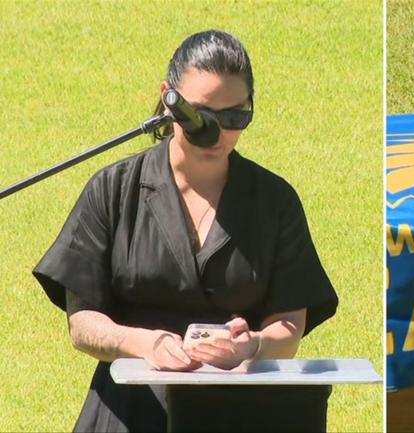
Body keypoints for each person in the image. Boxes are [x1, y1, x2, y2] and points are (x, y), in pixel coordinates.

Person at [32, 29, 338, 432]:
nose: (216, 133)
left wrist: (254, 346)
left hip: (239, 414)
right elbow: (83, 323)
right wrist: (143, 344)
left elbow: (289, 324)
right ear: (168, 100)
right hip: (128, 412)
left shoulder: (274, 201)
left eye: (235, 117)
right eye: (201, 117)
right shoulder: (113, 189)